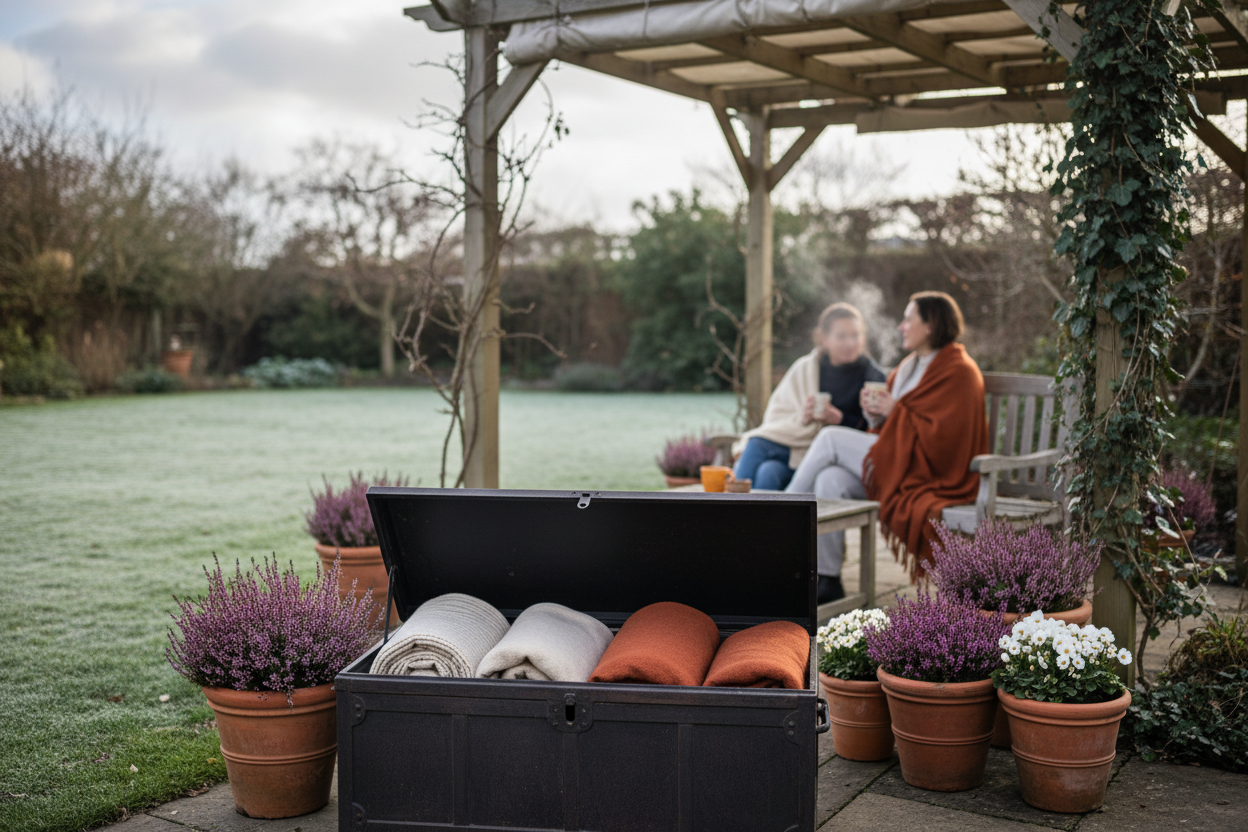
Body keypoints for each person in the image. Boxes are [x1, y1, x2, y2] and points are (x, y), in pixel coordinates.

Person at [785, 291, 987, 603]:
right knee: (830, 480)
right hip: (898, 460)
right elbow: (895, 425)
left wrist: (895, 412)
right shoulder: (910, 366)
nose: (901, 326)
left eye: (909, 320)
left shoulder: (959, 370)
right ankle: (827, 580)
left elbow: (946, 440)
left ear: (931, 325)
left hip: (928, 471)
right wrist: (875, 415)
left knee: (829, 438)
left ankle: (778, 520)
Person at [731, 302, 886, 492]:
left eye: (856, 335)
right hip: (797, 446)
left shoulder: (872, 377)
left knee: (757, 446)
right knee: (767, 471)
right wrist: (802, 417)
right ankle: (750, 519)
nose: (850, 343)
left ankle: (730, 513)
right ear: (823, 339)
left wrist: (839, 419)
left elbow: (874, 429)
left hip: (828, 455)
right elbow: (777, 418)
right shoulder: (806, 368)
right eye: (842, 336)